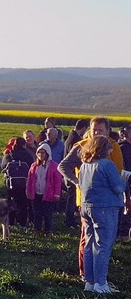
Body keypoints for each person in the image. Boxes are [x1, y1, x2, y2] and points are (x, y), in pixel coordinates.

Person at [59, 116, 124, 280]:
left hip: (109, 200)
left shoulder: (114, 147)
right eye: (94, 129)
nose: (96, 133)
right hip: (88, 200)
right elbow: (63, 166)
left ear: (108, 131)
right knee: (90, 240)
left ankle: (93, 277)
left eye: (100, 130)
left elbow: (119, 169)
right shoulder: (82, 147)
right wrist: (77, 182)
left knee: (97, 240)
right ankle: (88, 276)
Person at [78, 136, 129, 294]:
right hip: (105, 207)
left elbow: (80, 183)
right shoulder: (107, 165)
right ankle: (101, 283)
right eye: (109, 147)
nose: (111, 150)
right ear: (102, 149)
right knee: (103, 245)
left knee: (89, 244)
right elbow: (118, 187)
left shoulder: (85, 165)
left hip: (87, 207)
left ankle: (90, 282)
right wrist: (124, 179)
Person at [25, 143, 62, 236]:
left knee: (47, 213)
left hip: (48, 194)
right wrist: (28, 191)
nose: (41, 155)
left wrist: (57, 193)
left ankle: (48, 230)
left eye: (43, 153)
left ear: (47, 154)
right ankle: (37, 229)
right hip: (36, 193)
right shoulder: (34, 165)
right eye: (39, 153)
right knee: (37, 212)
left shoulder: (54, 166)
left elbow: (57, 181)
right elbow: (30, 179)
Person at [0, 136, 34, 229]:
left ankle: (11, 222)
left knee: (10, 202)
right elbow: (32, 167)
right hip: (24, 183)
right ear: (24, 145)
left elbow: (3, 166)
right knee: (23, 204)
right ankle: (22, 223)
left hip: (11, 184)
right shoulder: (27, 155)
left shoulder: (10, 154)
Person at [63, 119, 89, 228]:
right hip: (73, 174)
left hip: (70, 173)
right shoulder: (76, 140)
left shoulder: (70, 136)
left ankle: (70, 219)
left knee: (72, 197)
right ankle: (69, 221)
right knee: (72, 198)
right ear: (84, 128)